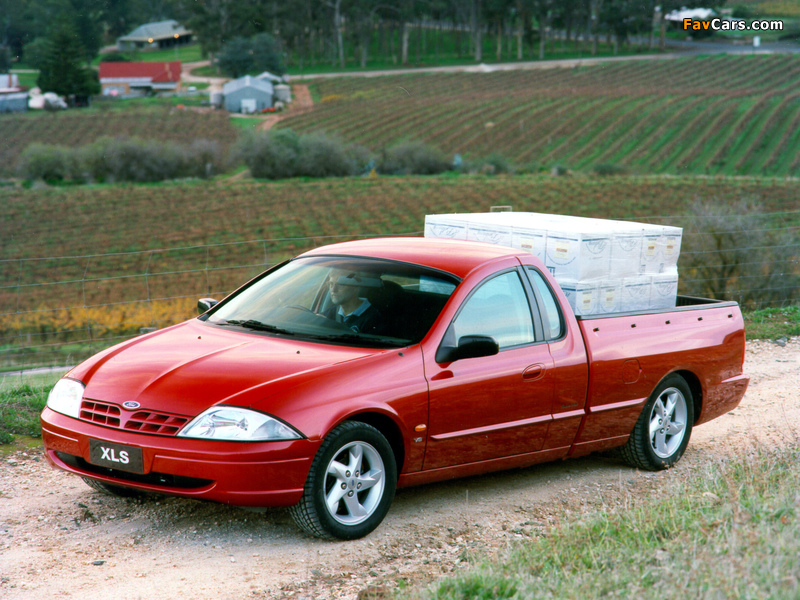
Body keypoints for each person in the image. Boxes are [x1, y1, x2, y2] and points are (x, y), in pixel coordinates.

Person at [324, 269, 383, 334]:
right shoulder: (328, 314)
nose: (333, 290)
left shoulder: (374, 320)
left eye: (340, 284)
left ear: (355, 287)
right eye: (331, 284)